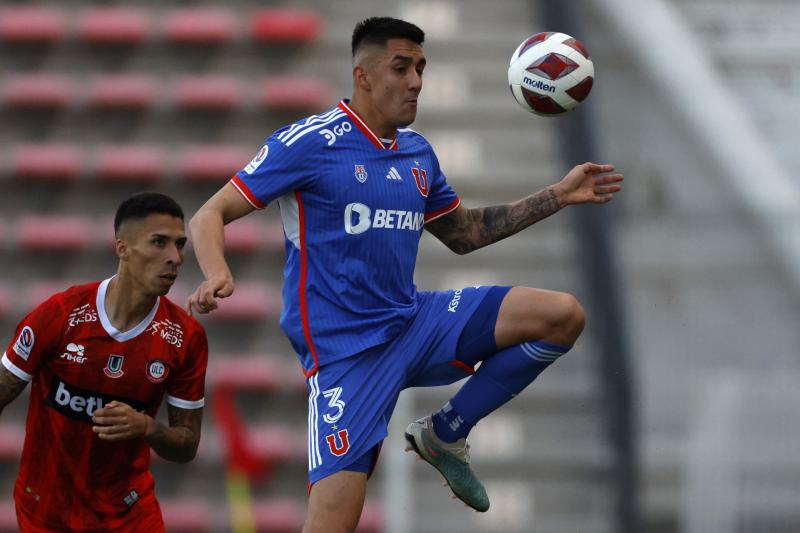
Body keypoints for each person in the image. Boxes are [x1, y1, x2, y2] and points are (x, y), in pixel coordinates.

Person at [187, 16, 623, 533]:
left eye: (421, 68)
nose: (416, 81)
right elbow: (209, 213)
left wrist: (559, 195)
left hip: (413, 323)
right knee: (331, 525)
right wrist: (216, 272)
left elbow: (464, 234)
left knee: (562, 316)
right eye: (401, 68)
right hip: (347, 355)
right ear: (363, 75)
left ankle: (445, 432)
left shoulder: (417, 153)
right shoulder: (309, 143)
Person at [0, 192, 208, 532]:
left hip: (130, 515)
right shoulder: (61, 314)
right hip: (47, 512)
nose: (175, 257)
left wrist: (146, 427)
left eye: (180, 244)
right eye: (159, 242)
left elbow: (187, 445)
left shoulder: (185, 336)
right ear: (123, 248)